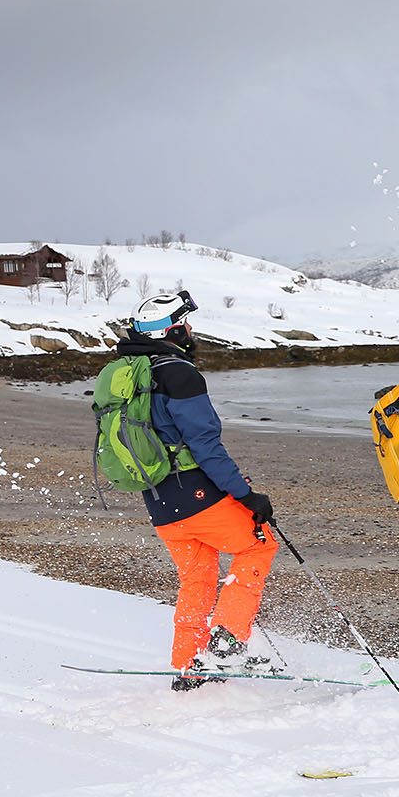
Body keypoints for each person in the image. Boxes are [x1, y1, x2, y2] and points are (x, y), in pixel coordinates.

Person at [117, 290, 279, 691]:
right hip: (196, 494)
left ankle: (189, 667)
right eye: (185, 323)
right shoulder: (179, 373)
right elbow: (206, 445)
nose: (191, 330)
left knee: (197, 579)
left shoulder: (129, 372)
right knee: (258, 545)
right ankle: (225, 640)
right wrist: (246, 496)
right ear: (172, 330)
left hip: (158, 502)